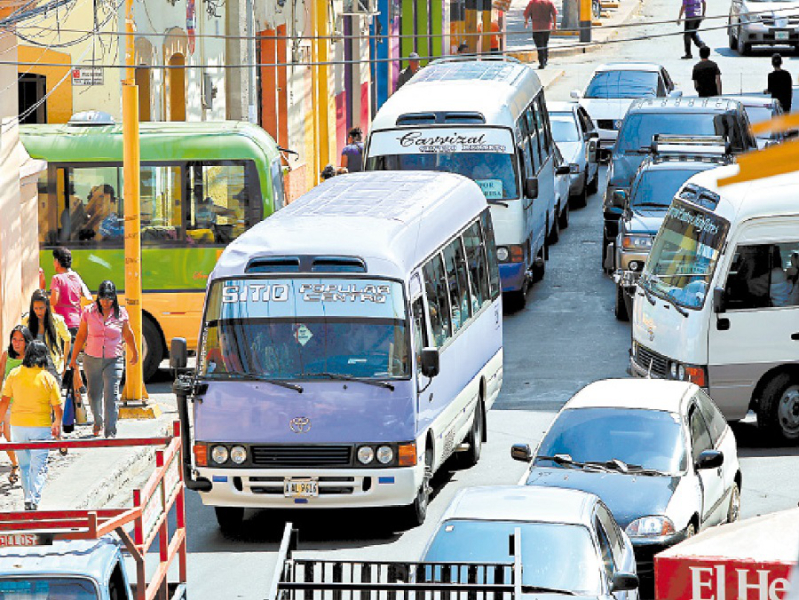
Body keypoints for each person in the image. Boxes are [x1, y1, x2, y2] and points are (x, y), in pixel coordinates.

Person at [69, 280, 139, 438]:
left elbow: (128, 334)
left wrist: (134, 352)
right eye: (103, 299)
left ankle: (110, 431)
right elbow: (81, 335)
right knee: (94, 394)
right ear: (98, 298)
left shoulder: (121, 313)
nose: (106, 302)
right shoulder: (89, 311)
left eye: (109, 299)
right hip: (91, 358)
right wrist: (73, 359)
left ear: (114, 298)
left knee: (111, 394)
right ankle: (98, 421)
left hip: (114, 359)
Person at [0, 340, 63, 511]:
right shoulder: (48, 378)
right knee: (39, 466)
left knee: (24, 465)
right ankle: (34, 498)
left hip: (18, 426)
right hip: (40, 427)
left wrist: (0, 421)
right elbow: (58, 406)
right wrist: (57, 422)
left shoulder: (14, 374)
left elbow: (4, 400)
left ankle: (28, 497)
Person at [0, 326, 33, 486]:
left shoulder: (31, 358)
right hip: (8, 402)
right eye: (14, 339)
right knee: (8, 438)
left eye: (21, 340)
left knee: (24, 437)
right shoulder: (6, 355)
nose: (17, 343)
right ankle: (15, 464)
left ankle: (26, 466)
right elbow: (1, 377)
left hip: (26, 404)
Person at [21, 289, 71, 387]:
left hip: (53, 366)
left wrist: (64, 361)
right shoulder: (27, 321)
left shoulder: (57, 320)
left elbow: (67, 339)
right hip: (33, 367)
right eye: (36, 308)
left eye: (41, 308)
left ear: (47, 307)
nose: (39, 311)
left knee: (55, 394)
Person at [50, 247, 93, 353]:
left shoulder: (57, 278)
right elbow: (87, 296)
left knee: (64, 356)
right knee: (73, 356)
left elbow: (54, 301)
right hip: (78, 322)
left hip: (63, 323)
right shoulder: (76, 277)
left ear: (57, 262)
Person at [523, 0, 557, 69]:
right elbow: (554, 13)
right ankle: (545, 59)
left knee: (539, 45)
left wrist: (526, 22)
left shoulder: (532, 3)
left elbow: (526, 13)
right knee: (545, 43)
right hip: (547, 27)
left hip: (537, 27)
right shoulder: (549, 2)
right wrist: (555, 25)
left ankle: (542, 62)